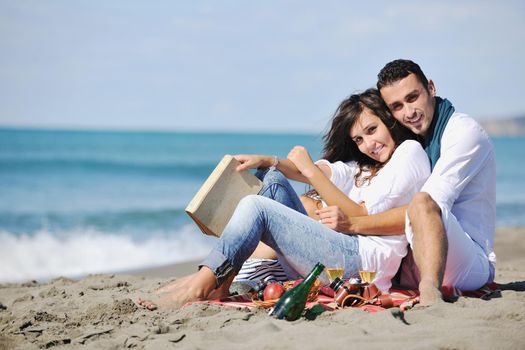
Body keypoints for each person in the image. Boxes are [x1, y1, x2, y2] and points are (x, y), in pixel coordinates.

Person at [137, 89, 430, 310]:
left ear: (388, 121)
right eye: (359, 140)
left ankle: (204, 284)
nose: (369, 144)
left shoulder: (408, 154)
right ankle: (220, 279)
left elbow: (359, 217)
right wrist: (269, 159)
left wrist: (311, 174)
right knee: (273, 180)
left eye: (371, 130)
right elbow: (311, 172)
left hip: (362, 265)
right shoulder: (361, 167)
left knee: (257, 206)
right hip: (339, 252)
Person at [344, 59, 496, 305]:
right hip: (417, 255)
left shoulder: (463, 133)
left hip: (469, 262)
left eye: (412, 97)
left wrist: (352, 223)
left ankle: (429, 296)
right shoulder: (412, 138)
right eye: (397, 106)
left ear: (431, 88)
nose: (408, 112)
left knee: (423, 202)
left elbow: (428, 206)